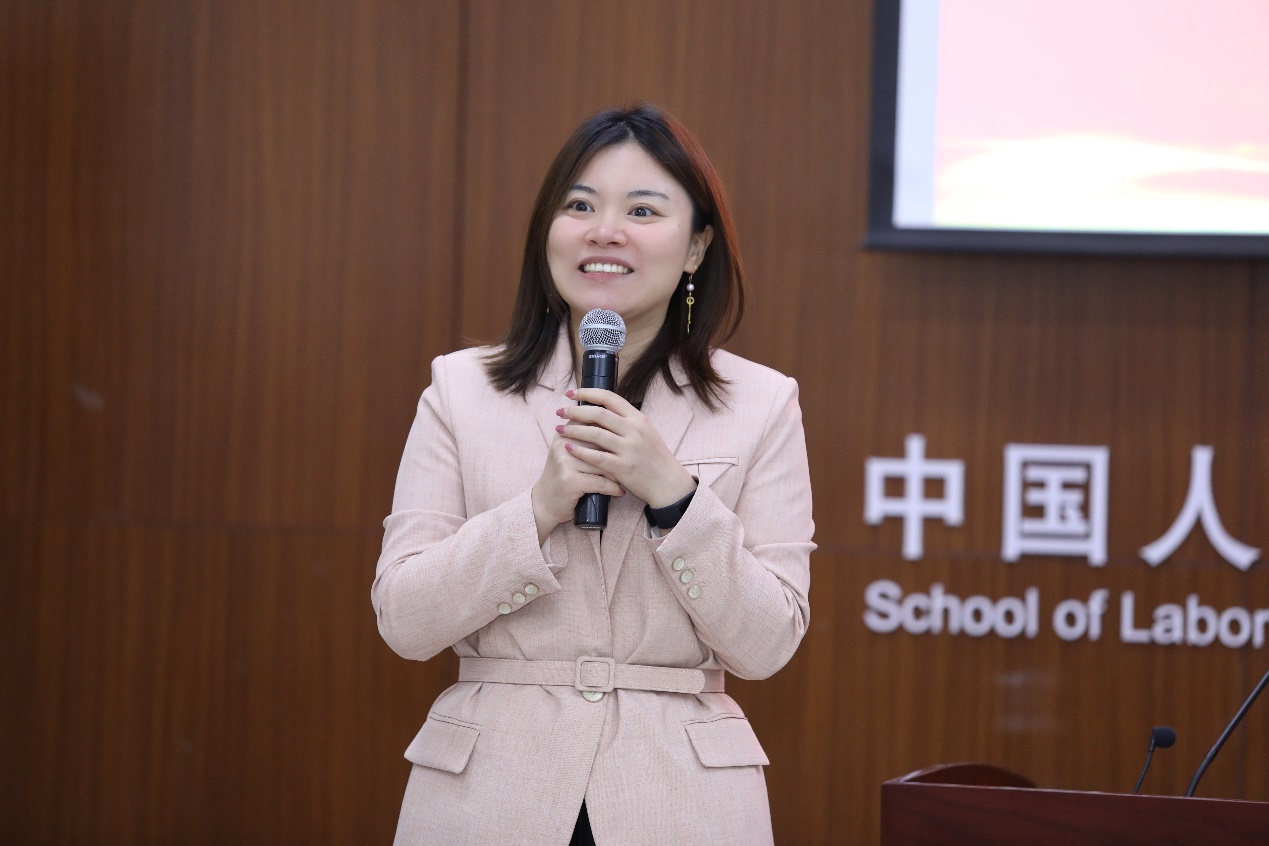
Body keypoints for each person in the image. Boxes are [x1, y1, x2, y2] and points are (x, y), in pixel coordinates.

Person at [373, 104, 815, 845]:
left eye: (642, 210)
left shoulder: (763, 403)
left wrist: (673, 496)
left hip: (680, 802)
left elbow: (768, 643)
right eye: (579, 206)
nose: (604, 230)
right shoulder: (459, 390)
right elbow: (405, 620)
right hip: (488, 797)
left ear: (696, 247)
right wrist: (538, 509)